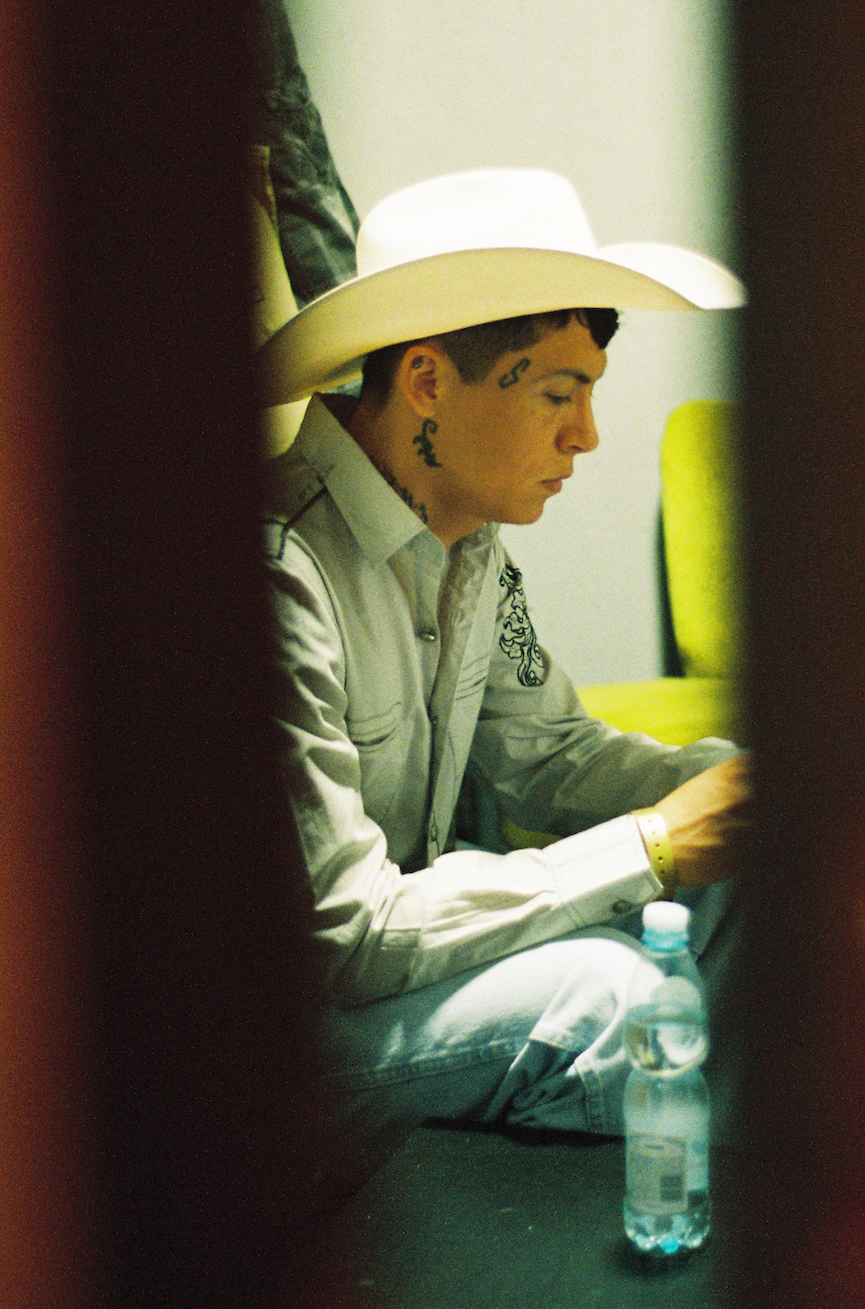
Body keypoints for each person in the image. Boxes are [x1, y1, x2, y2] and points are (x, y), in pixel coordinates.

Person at [258, 168, 750, 1145]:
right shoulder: (282, 573)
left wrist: (737, 787)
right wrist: (653, 843)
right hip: (286, 1031)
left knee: (745, 872)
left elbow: (552, 752)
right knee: (607, 988)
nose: (587, 436)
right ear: (427, 381)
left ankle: (725, 1173)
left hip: (391, 976)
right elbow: (346, 938)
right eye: (558, 394)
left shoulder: (468, 544)